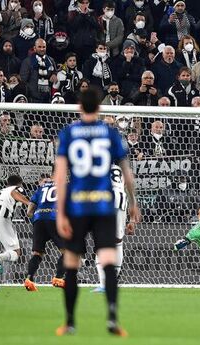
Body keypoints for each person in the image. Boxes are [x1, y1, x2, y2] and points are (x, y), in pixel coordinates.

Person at [53, 86, 140, 336]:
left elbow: (60, 176)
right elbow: (127, 174)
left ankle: (69, 322)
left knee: (72, 265)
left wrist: (60, 213)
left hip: (78, 207)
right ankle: (112, 319)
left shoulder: (69, 132)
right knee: (109, 263)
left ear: (80, 106)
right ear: (99, 108)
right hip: (104, 206)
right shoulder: (109, 133)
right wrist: (133, 203)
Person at [0, 175, 30, 291]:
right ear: (20, 184)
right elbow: (15, 193)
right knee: (16, 253)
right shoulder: (15, 189)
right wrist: (28, 203)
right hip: (1, 217)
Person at [24, 174, 65, 292]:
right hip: (54, 219)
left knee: (37, 253)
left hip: (39, 220)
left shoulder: (41, 188)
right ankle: (58, 278)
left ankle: (29, 279)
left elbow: (29, 211)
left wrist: (35, 221)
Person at [93, 164, 128, 293]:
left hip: (104, 197)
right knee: (118, 241)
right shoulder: (120, 167)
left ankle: (103, 284)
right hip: (120, 198)